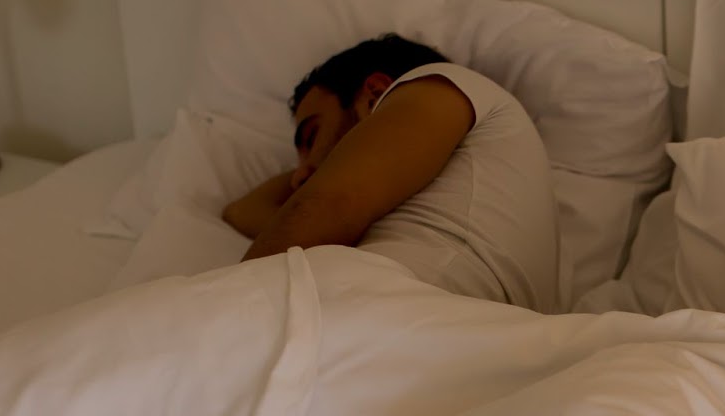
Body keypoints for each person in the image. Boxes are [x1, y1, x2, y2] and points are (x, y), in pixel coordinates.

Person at [222, 34, 559, 311]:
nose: (298, 177)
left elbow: (321, 205)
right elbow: (242, 211)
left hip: (395, 320)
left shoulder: (448, 85)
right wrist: (315, 164)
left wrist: (222, 320)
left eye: (312, 135)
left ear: (374, 94)